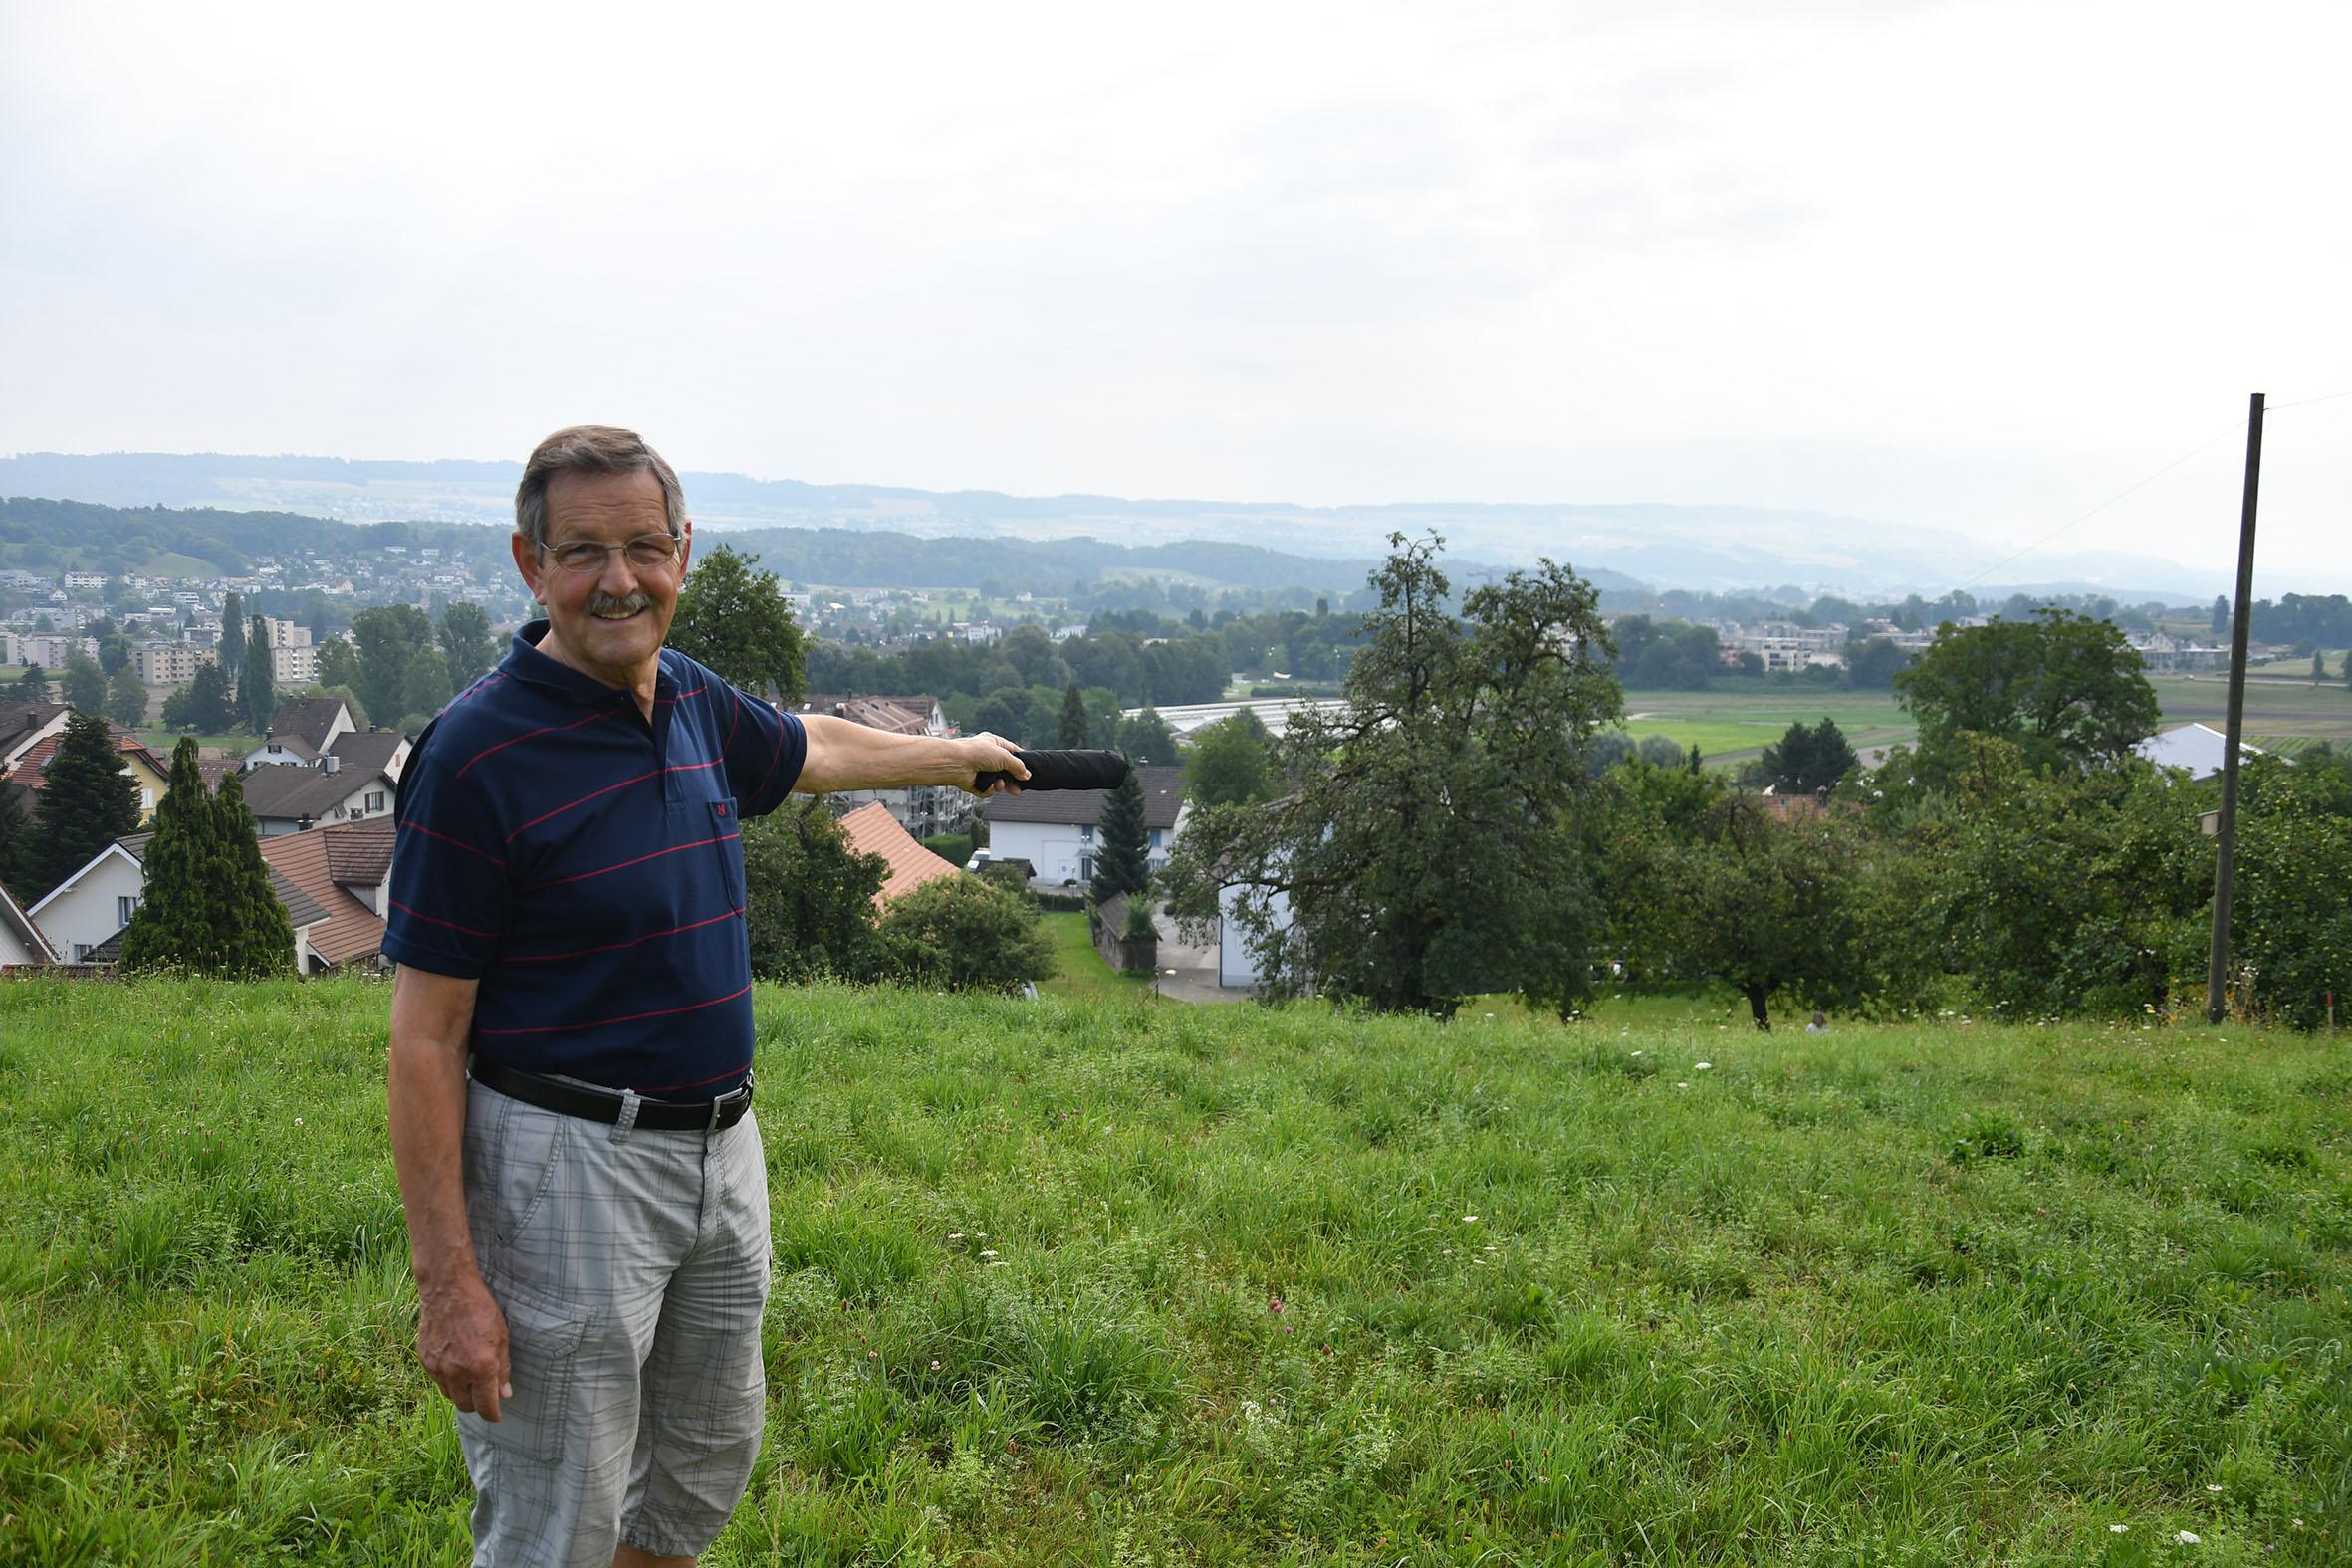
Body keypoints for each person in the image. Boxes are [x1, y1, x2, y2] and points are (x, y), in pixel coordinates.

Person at [383, 425, 1026, 1567]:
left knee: (695, 1476)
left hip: (722, 1151)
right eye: (583, 552)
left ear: (683, 550)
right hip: (566, 1167)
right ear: (530, 566)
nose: (618, 580)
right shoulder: (477, 757)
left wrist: (950, 753)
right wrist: (449, 1289)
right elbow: (426, 1041)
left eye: (643, 547)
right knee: (559, 1519)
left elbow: (806, 747)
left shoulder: (681, 693)